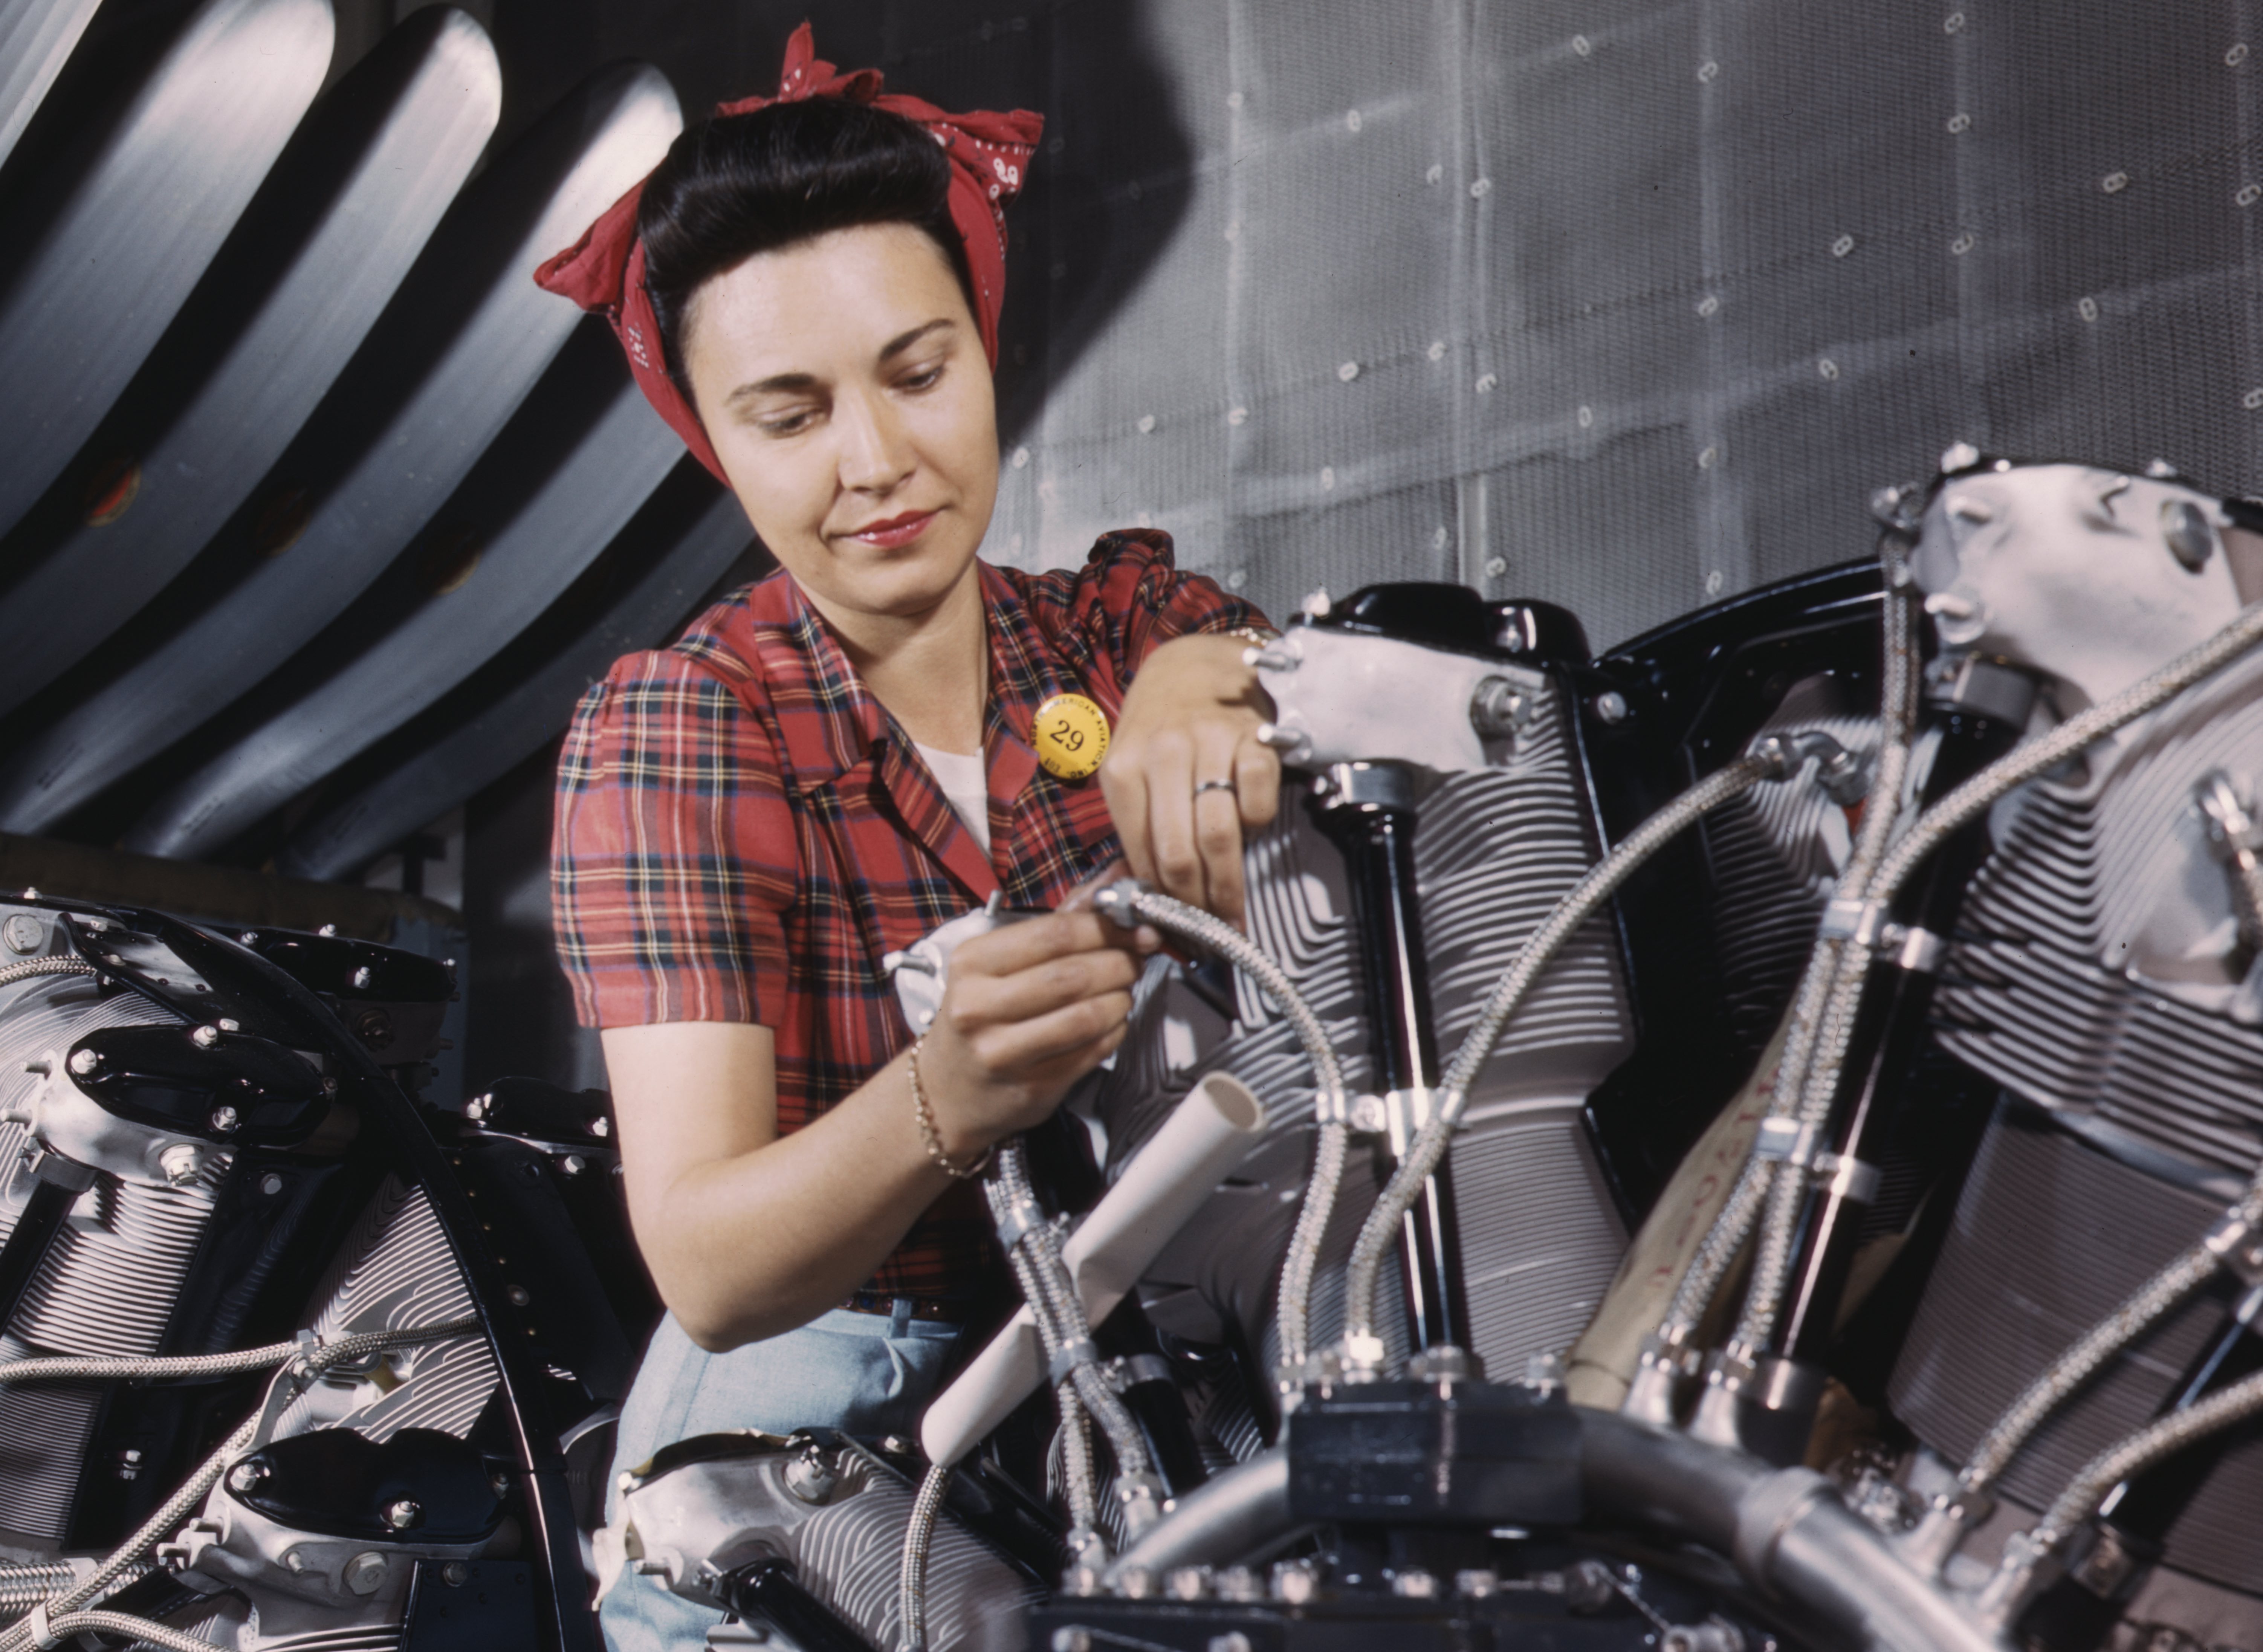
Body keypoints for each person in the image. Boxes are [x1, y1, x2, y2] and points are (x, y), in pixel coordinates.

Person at [537, 28, 1283, 1650]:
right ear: (711, 441)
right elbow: (714, 1262)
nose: (875, 463)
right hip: (810, 1449)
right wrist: (945, 1092)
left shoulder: (1101, 634)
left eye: (916, 370)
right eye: (788, 415)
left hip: (1125, 1402)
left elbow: (1219, 644)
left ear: (983, 343)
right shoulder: (687, 724)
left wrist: (1196, 684)